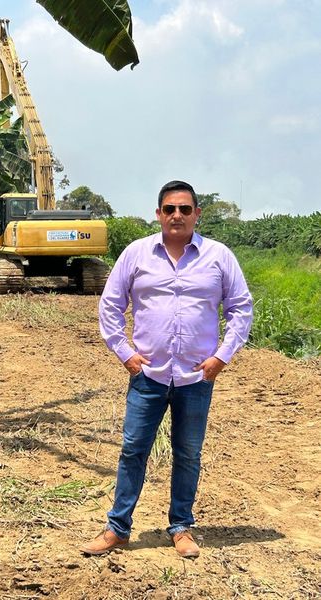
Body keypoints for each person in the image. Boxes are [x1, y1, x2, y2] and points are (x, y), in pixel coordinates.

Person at [80, 180, 253, 558]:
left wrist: (222, 356)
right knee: (133, 450)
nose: (177, 215)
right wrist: (125, 353)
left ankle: (181, 527)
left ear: (197, 214)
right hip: (148, 375)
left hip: (196, 377)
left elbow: (241, 308)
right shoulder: (136, 254)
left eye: (185, 209)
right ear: (158, 213)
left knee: (188, 453)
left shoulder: (219, 256)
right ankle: (117, 529)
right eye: (170, 209)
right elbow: (110, 305)